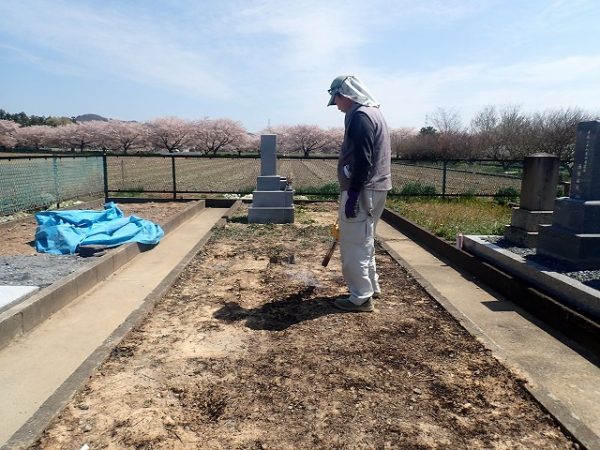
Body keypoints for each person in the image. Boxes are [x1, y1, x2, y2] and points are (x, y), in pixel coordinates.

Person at [327, 75, 392, 312]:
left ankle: (361, 297)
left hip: (363, 189)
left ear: (345, 95)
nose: (337, 106)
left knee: (353, 243)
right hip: (376, 188)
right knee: (365, 240)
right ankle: (371, 287)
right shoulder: (374, 112)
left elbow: (362, 160)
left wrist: (353, 194)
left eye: (336, 101)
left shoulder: (360, 117)